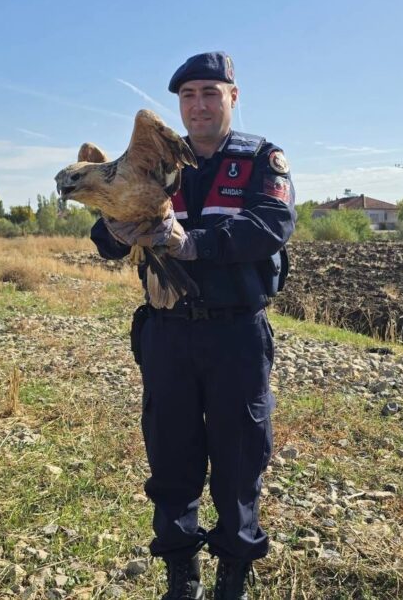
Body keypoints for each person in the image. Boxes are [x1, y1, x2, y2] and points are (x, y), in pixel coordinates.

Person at [90, 51, 295, 600]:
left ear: (233, 96)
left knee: (238, 458)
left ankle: (234, 573)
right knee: (172, 456)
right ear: (177, 105)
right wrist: (115, 229)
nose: (198, 105)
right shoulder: (152, 163)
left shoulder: (260, 160)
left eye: (210, 92)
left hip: (236, 335)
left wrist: (193, 244)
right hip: (167, 333)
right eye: (188, 96)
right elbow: (104, 239)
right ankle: (182, 572)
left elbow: (270, 226)